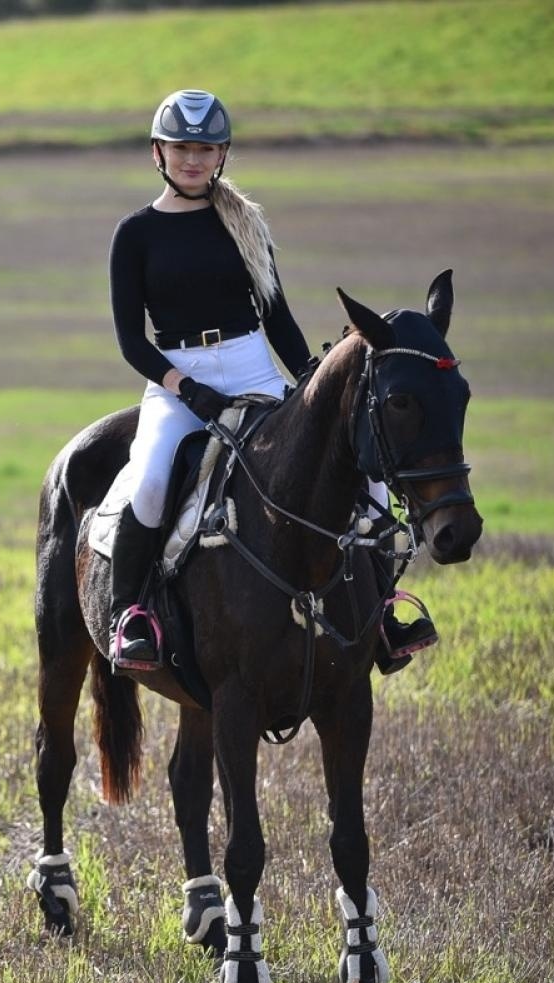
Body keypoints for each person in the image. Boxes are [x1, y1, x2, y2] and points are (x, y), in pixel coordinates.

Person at [106, 89, 437, 675]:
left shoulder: (247, 224)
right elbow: (133, 342)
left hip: (253, 363)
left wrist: (310, 379)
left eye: (205, 149)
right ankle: (130, 616)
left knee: (355, 464)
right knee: (151, 479)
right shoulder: (134, 234)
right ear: (158, 153)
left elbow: (277, 317)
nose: (193, 159)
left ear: (222, 154)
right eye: (181, 148)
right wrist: (187, 389)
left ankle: (383, 611)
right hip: (178, 377)